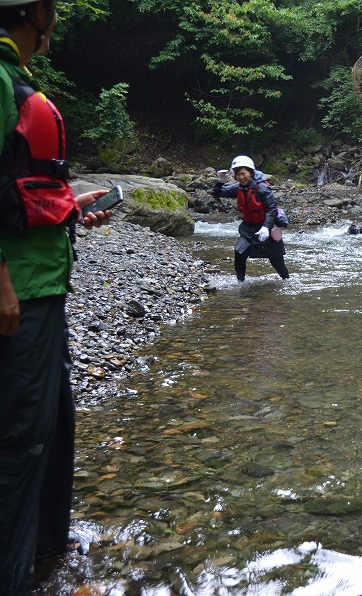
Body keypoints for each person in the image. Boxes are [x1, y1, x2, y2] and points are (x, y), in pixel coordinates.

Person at [0, 0, 115, 592]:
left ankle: (46, 554)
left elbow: (20, 189)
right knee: (22, 435)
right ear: (34, 13)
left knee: (53, 420)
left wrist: (70, 207)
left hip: (44, 287)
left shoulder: (14, 79)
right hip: (19, 294)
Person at [211, 155, 289, 282]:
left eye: (244, 173)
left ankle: (286, 281)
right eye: (238, 174)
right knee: (239, 252)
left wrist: (265, 227)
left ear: (251, 172)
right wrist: (221, 181)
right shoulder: (239, 188)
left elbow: (271, 209)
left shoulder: (262, 188)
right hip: (248, 229)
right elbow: (217, 193)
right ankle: (240, 282)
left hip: (266, 228)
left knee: (276, 261)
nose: (241, 177)